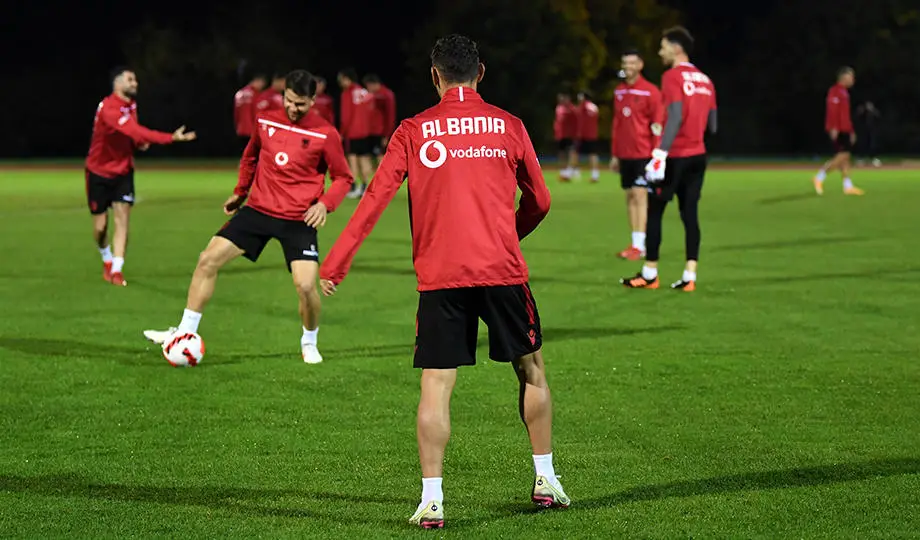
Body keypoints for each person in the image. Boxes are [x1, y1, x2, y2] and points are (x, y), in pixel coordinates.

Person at [318, 34, 568, 529]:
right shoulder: (509, 125)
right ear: (481, 73)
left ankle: (431, 500)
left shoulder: (414, 131)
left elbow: (373, 201)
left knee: (436, 383)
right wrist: (508, 234)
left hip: (441, 277)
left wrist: (336, 263)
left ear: (435, 75)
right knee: (531, 370)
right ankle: (546, 479)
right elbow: (540, 200)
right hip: (501, 269)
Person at [143, 70, 354, 364]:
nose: (293, 108)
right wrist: (240, 192)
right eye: (289, 101)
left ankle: (309, 342)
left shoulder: (326, 133)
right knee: (207, 260)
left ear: (313, 100)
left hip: (298, 218)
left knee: (306, 286)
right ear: (283, 95)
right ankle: (184, 332)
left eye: (301, 104)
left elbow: (344, 177)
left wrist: (324, 204)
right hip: (258, 210)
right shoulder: (265, 120)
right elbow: (250, 157)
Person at [620, 27, 716, 292]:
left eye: (663, 47)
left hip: (676, 155)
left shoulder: (672, 76)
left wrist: (661, 153)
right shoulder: (706, 80)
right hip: (699, 155)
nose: (660, 52)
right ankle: (689, 275)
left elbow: (675, 116)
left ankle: (650, 273)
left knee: (655, 211)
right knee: (690, 215)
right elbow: (713, 125)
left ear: (676, 48)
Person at [85, 67, 197, 287]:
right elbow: (135, 131)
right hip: (98, 172)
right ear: (117, 83)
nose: (135, 83)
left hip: (124, 171)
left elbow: (133, 133)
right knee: (100, 228)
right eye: (130, 79)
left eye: (135, 79)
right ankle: (106, 258)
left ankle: (117, 270)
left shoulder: (131, 105)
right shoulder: (108, 108)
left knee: (122, 219)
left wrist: (137, 143)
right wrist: (170, 138)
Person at [610, 49, 663, 261]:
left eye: (632, 63)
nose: (628, 67)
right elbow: (616, 124)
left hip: (644, 152)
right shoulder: (619, 91)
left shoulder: (651, 91)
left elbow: (657, 123)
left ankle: (641, 245)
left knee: (640, 195)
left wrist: (657, 154)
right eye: (625, 63)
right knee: (630, 197)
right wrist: (615, 154)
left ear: (640, 65)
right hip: (625, 154)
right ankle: (635, 244)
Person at [813, 67, 865, 195]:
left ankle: (848, 186)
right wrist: (833, 127)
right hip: (839, 129)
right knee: (843, 156)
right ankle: (819, 177)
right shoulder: (835, 91)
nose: (853, 80)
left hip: (845, 129)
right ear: (844, 78)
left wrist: (851, 131)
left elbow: (845, 115)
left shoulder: (844, 92)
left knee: (846, 158)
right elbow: (832, 110)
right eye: (851, 77)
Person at [337, 68, 376, 198]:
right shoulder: (365, 92)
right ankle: (366, 186)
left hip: (352, 132)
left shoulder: (347, 93)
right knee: (364, 159)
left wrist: (342, 132)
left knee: (352, 160)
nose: (340, 82)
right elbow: (372, 112)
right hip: (365, 132)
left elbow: (346, 116)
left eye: (341, 79)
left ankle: (354, 187)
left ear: (347, 78)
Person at [364, 74, 397, 154]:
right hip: (370, 132)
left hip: (380, 132)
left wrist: (386, 135)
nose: (367, 89)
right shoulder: (371, 95)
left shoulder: (386, 94)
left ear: (372, 84)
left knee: (380, 156)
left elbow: (390, 116)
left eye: (367, 86)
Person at [234, 72, 268, 150]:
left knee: (243, 152)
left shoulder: (239, 93)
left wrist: (237, 127)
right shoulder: (255, 94)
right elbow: (256, 113)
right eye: (262, 83)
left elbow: (236, 114)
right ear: (257, 81)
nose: (262, 86)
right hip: (252, 130)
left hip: (240, 130)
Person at [575, 91, 601, 182]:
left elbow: (579, 118)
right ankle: (595, 175)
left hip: (583, 134)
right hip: (593, 134)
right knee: (592, 154)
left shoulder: (583, 106)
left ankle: (573, 172)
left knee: (575, 153)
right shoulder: (594, 106)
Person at [553, 93, 578, 181]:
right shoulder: (559, 108)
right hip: (561, 135)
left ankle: (571, 169)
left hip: (570, 134)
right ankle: (563, 171)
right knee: (562, 152)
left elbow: (576, 122)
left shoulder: (572, 109)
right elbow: (557, 122)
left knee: (572, 152)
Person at [855, 100, 881, 167]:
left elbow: (878, 117)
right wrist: (863, 111)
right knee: (862, 144)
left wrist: (872, 110)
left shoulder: (874, 112)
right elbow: (858, 117)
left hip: (872, 131)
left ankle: (874, 159)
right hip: (863, 131)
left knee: (873, 145)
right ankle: (860, 159)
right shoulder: (862, 111)